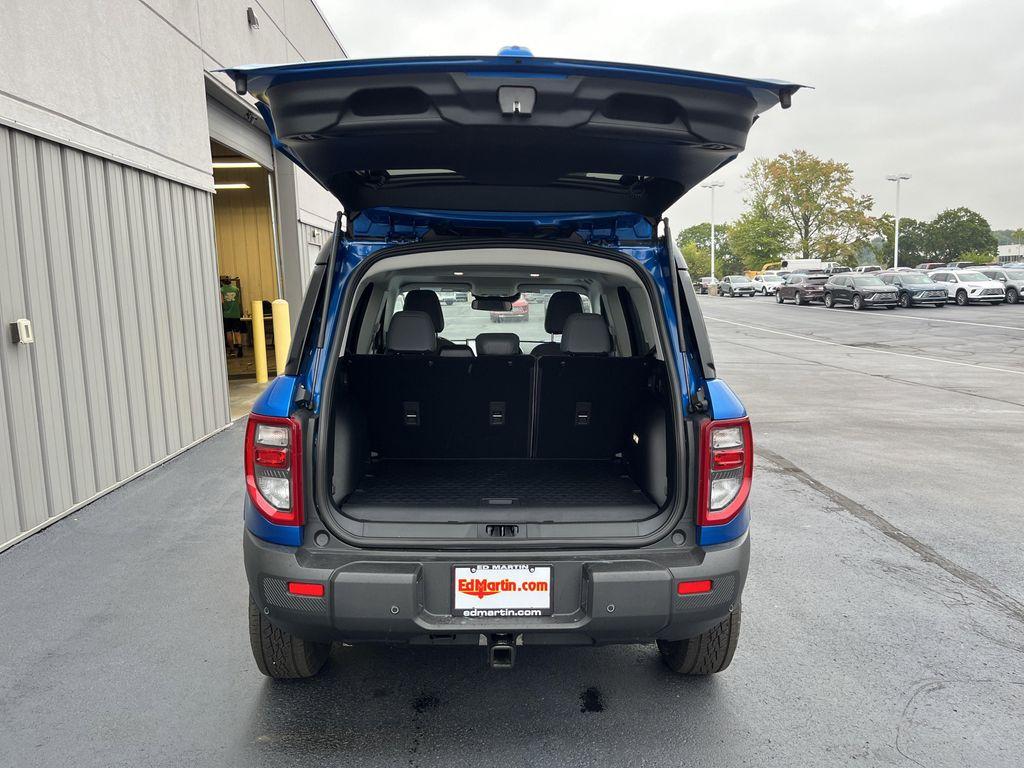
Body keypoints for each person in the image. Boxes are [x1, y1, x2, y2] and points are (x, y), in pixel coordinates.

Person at [220, 277, 244, 358]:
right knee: (237, 332)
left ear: (222, 282)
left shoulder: (221, 290)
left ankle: (232, 350)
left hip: (226, 314)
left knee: (228, 332)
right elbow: (238, 301)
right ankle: (240, 349)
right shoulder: (236, 289)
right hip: (236, 313)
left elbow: (222, 302)